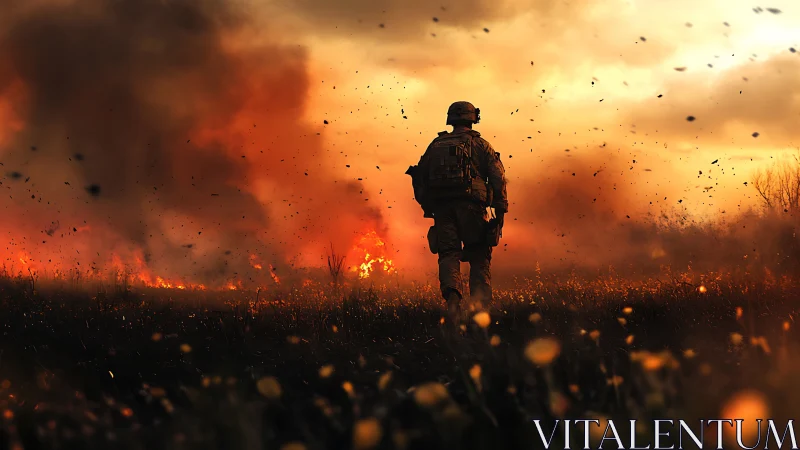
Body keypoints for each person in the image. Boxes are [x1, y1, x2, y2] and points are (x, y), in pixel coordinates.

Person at [407, 101, 508, 325]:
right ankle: (480, 308)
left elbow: (419, 178)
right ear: (473, 118)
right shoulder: (481, 145)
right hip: (472, 206)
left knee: (448, 254)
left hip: (442, 209)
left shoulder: (435, 145)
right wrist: (500, 211)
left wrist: (429, 208)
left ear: (451, 119)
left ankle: (453, 301)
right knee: (479, 254)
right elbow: (498, 178)